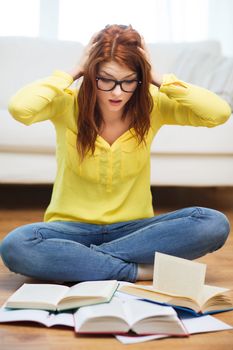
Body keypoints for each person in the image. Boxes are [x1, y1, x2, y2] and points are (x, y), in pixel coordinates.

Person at [1, 24, 231, 283]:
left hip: (134, 231)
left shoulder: (153, 106)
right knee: (16, 245)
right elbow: (20, 108)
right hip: (68, 230)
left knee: (213, 223)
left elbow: (218, 112)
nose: (118, 92)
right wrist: (75, 70)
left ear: (139, 78)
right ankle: (135, 271)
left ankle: (78, 261)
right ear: (92, 74)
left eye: (128, 81)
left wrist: (158, 77)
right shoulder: (66, 103)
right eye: (107, 79)